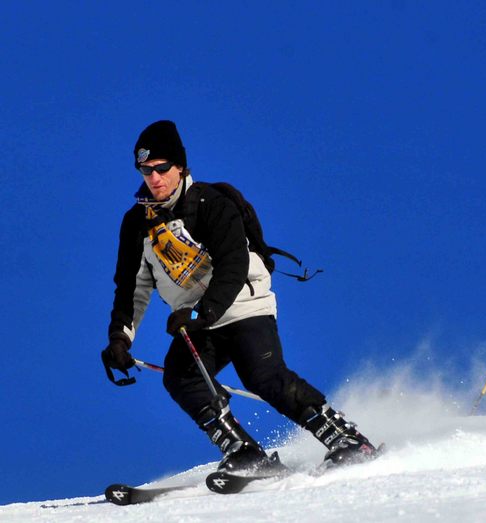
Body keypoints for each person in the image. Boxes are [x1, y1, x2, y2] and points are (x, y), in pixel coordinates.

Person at [101, 120, 378, 473]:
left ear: (181, 166)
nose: (154, 178)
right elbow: (132, 287)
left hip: (243, 306)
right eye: (145, 170)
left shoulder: (211, 203)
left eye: (162, 169)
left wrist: (204, 313)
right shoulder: (137, 223)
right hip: (197, 320)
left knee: (263, 376)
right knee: (180, 376)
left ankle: (347, 439)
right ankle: (245, 453)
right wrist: (120, 338)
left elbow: (233, 264)